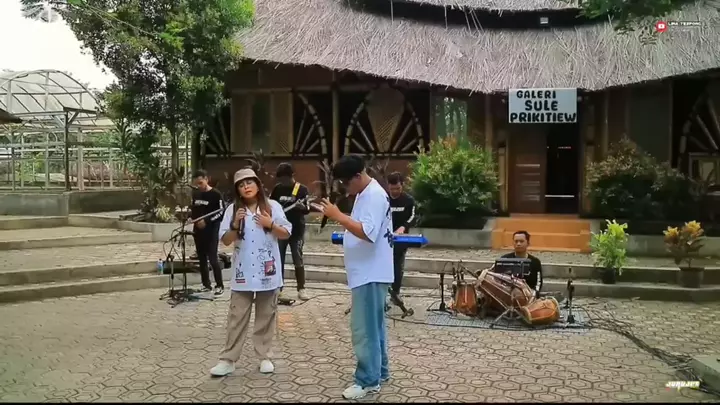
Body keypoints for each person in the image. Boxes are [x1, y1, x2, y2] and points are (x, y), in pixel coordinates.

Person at [319, 155, 394, 400]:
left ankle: (367, 380)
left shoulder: (373, 196)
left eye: (345, 182)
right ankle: (380, 371)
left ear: (358, 176)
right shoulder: (365, 193)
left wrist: (337, 215)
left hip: (370, 273)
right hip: (367, 271)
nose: (344, 187)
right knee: (375, 326)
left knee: (364, 330)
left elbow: (367, 232)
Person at [209, 168, 292, 377]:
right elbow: (225, 240)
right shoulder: (232, 210)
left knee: (266, 316)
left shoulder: (273, 206)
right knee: (236, 317)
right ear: (237, 190)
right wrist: (235, 224)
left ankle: (264, 357)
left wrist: (270, 224)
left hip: (267, 272)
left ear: (257, 184)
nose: (246, 187)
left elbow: (286, 233)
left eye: (249, 182)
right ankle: (228, 360)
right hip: (243, 272)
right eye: (241, 184)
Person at [270, 163, 310, 301]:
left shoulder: (301, 189)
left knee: (297, 257)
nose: (283, 182)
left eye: (285, 179)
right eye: (281, 179)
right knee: (278, 258)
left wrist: (301, 207)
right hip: (280, 229)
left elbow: (307, 209)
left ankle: (301, 288)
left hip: (297, 229)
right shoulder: (277, 189)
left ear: (292, 176)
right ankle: (279, 288)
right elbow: (271, 206)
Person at [190, 169, 225, 295]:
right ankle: (206, 284)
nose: (199, 186)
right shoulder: (196, 194)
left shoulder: (216, 194)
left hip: (211, 230)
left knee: (213, 258)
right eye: (196, 184)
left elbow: (221, 212)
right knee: (202, 258)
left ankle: (219, 285)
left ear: (206, 179)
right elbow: (194, 209)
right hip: (198, 231)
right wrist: (192, 219)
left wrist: (207, 221)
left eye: (200, 183)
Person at [386, 172, 416, 299]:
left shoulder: (408, 200)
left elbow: (413, 217)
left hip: (401, 238)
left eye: (397, 188)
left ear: (402, 185)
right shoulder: (383, 198)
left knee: (397, 263)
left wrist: (404, 227)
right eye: (392, 189)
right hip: (384, 237)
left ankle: (395, 292)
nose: (395, 191)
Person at [500, 230, 543, 297]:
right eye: (516, 241)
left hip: (528, 296)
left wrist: (534, 294)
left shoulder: (535, 262)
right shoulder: (504, 259)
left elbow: (538, 282)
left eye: (521, 241)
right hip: (507, 295)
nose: (518, 244)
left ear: (528, 243)